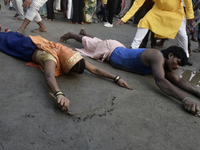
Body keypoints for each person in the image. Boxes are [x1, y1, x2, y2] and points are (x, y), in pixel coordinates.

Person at [59, 28, 200, 116]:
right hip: (112, 50)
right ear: (170, 56)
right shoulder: (157, 56)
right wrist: (185, 99)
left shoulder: (162, 66)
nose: (177, 67)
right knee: (89, 44)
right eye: (178, 63)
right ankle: (73, 34)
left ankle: (85, 33)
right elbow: (161, 82)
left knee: (94, 43)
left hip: (117, 49)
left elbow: (180, 81)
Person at [0, 30, 132, 114]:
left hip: (36, 42)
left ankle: (9, 32)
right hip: (27, 48)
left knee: (13, 36)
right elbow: (49, 76)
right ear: (66, 67)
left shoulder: (71, 56)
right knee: (6, 41)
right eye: (72, 73)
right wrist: (59, 94)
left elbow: (94, 69)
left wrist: (116, 78)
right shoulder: (51, 59)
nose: (73, 75)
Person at [115, 0, 194, 66]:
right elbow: (137, 3)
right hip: (158, 10)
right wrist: (125, 18)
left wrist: (190, 15)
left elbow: (188, 2)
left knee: (182, 35)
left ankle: (185, 57)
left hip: (176, 12)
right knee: (144, 22)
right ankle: (133, 48)